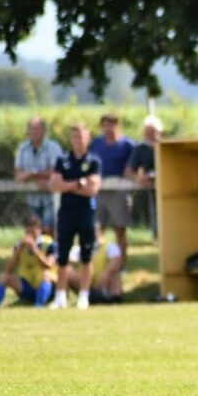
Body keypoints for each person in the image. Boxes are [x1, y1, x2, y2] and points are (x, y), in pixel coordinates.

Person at [50, 124, 102, 310]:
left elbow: (93, 189)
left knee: (86, 257)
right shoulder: (62, 160)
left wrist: (68, 185)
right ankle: (60, 296)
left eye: (81, 137)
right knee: (62, 256)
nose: (77, 140)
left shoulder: (94, 161)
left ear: (87, 138)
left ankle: (83, 296)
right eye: (74, 137)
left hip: (86, 214)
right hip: (66, 213)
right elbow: (55, 185)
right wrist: (79, 183)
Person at [90, 114, 135, 262]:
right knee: (96, 229)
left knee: (120, 230)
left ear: (118, 126)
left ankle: (120, 265)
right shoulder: (96, 143)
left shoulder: (128, 145)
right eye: (105, 125)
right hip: (99, 192)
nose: (109, 128)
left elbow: (133, 165)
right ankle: (99, 263)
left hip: (119, 192)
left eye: (112, 124)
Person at [0, 215, 56, 308]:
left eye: (33, 231)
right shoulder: (20, 245)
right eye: (28, 232)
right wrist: (19, 250)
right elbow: (8, 269)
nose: (30, 235)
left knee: (46, 275)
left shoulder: (49, 244)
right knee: (4, 278)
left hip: (47, 286)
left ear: (39, 230)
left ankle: (38, 306)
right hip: (27, 285)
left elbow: (48, 265)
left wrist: (35, 249)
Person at [14, 117, 63, 235]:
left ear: (44, 131)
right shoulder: (23, 148)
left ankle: (51, 253)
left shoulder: (53, 147)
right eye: (31, 128)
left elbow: (56, 171)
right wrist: (40, 175)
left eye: (37, 129)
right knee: (35, 231)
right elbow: (18, 174)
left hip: (51, 197)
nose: (34, 132)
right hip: (32, 198)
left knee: (48, 229)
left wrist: (31, 174)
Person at [68, 222, 124, 303]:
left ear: (100, 231)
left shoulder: (109, 246)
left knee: (114, 273)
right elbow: (68, 261)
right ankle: (87, 295)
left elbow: (116, 262)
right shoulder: (80, 247)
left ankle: (114, 298)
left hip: (104, 282)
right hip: (85, 283)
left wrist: (105, 275)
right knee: (67, 270)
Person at [129, 115, 161, 241]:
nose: (150, 135)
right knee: (154, 214)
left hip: (167, 188)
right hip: (149, 189)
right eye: (147, 132)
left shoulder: (167, 146)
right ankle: (156, 237)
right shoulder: (140, 149)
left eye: (153, 131)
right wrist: (140, 179)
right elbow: (130, 170)